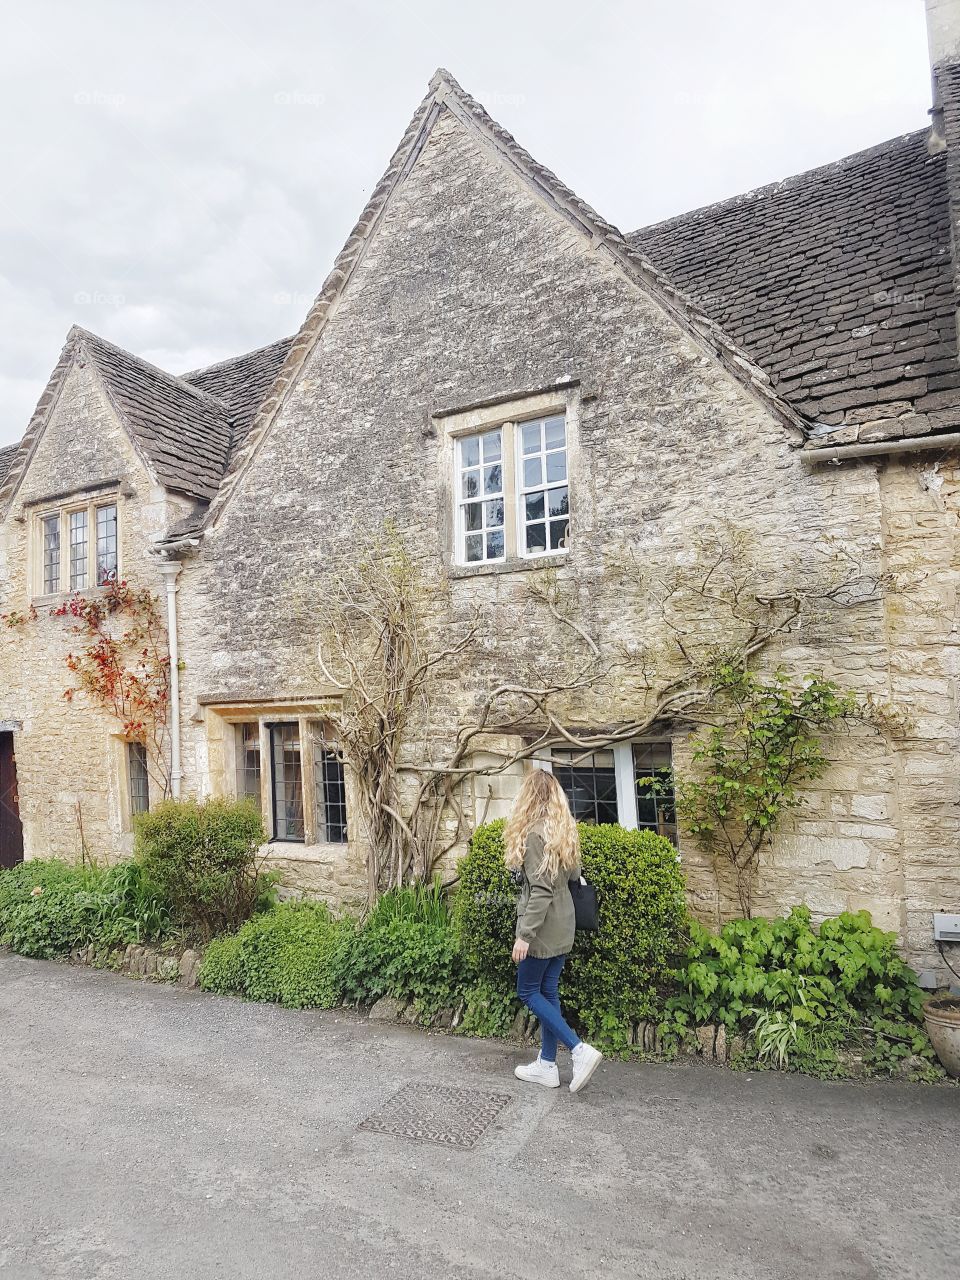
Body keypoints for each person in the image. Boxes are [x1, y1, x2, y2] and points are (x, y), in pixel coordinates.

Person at [505, 769, 602, 1093]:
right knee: (548, 991)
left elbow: (542, 891)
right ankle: (547, 1065)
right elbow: (573, 874)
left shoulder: (534, 834)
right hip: (564, 923)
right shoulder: (563, 830)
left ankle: (578, 1049)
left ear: (528, 798)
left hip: (543, 927)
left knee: (528, 991)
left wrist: (524, 936)